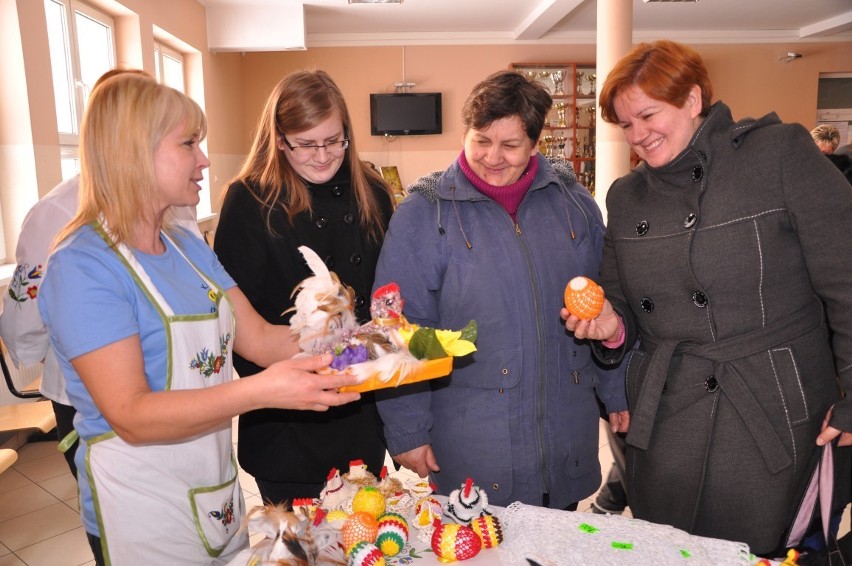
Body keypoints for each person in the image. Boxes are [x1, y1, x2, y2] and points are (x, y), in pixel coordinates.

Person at [37, 73, 363, 565]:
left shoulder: (188, 247)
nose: (205, 159)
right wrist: (265, 391)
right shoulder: (84, 265)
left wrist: (350, 339)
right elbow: (131, 414)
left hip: (214, 493)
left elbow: (259, 340)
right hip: (140, 505)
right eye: (189, 143)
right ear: (135, 151)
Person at [564, 40, 852, 556]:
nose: (638, 136)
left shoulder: (779, 153)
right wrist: (610, 327)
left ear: (693, 99)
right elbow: (621, 304)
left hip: (773, 409)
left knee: (765, 550)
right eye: (625, 125)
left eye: (648, 115)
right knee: (670, 548)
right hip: (669, 416)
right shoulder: (626, 196)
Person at [372, 70, 629, 511]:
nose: (492, 157)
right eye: (480, 140)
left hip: (563, 434)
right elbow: (394, 328)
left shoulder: (574, 205)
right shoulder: (423, 213)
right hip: (473, 443)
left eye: (510, 145)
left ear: (535, 143)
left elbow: (606, 305)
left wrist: (616, 388)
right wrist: (408, 431)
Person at [0, 68, 201, 480]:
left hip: (178, 389)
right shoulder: (56, 213)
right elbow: (24, 325)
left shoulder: (175, 204)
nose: (200, 159)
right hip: (91, 397)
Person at [213, 70, 395, 504]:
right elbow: (241, 328)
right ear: (278, 139)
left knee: (361, 537)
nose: (322, 156)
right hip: (287, 424)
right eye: (306, 144)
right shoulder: (250, 200)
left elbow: (385, 296)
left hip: (361, 412)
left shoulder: (371, 192)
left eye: (334, 141)